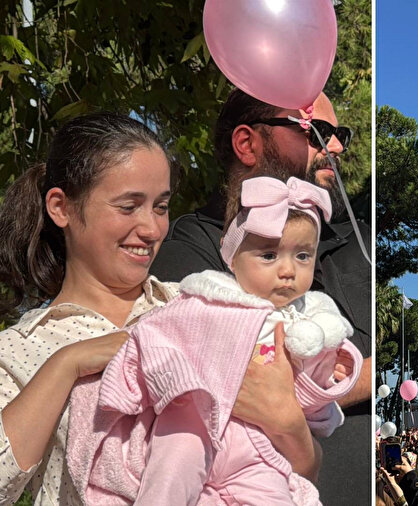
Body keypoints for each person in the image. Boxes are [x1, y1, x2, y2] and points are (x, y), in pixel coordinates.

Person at [0, 113, 314, 504]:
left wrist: (288, 422)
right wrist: (67, 363)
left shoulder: (202, 306)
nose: (151, 229)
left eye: (161, 207)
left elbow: (299, 468)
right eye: (129, 207)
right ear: (61, 207)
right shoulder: (18, 348)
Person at [66, 176, 363, 504]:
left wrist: (329, 374)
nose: (288, 270)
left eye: (303, 256)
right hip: (195, 420)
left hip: (257, 449)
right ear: (233, 258)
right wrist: (141, 381)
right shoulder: (209, 297)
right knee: (171, 475)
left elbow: (307, 403)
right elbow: (156, 336)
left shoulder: (313, 318)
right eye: (268, 256)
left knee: (275, 496)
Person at [150, 88, 372, 503]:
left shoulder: (358, 241)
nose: (336, 146)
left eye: (341, 132)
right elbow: (231, 378)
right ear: (247, 143)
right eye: (316, 131)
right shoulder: (192, 250)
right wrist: (368, 375)